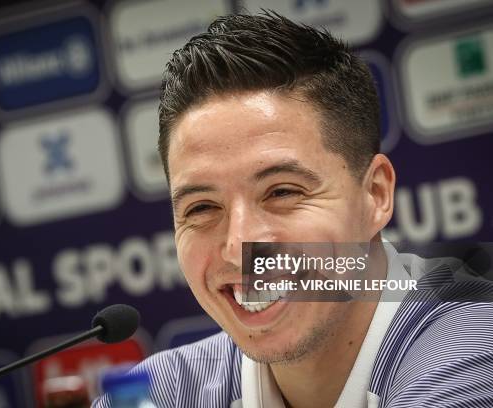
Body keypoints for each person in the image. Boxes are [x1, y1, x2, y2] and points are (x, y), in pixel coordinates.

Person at [94, 11, 493, 408]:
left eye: (282, 192)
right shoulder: (160, 392)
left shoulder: (473, 347)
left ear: (375, 194)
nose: (240, 249)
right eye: (202, 208)